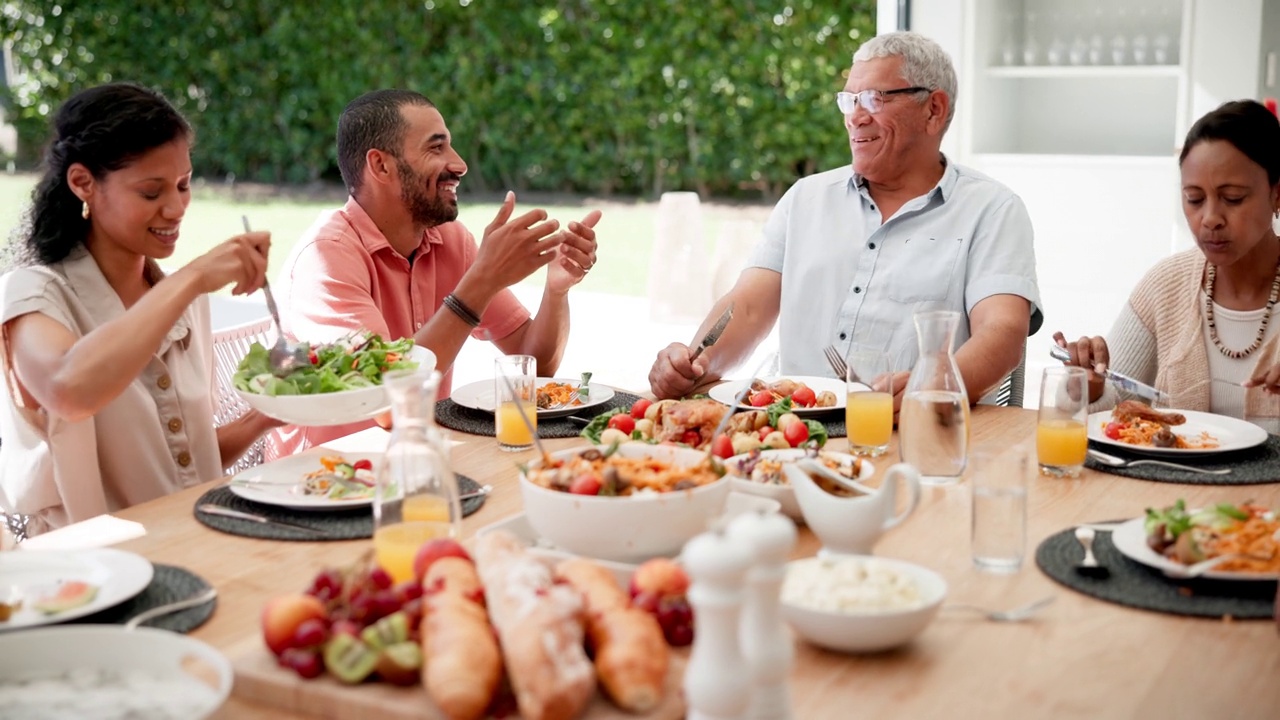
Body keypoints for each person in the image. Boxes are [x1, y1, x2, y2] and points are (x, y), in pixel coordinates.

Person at [648, 31, 1041, 409]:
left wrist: (936, 385)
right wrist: (694, 364)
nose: (855, 117)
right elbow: (747, 308)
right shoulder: (806, 197)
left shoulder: (993, 210)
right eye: (849, 100)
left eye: (873, 99)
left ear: (933, 109)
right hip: (795, 432)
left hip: (916, 435)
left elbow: (1003, 332)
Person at [0, 83, 278, 535]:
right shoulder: (32, 296)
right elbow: (68, 392)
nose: (175, 208)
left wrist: (268, 414)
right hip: (90, 578)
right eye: (151, 193)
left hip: (195, 546)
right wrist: (192, 279)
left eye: (184, 185)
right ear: (82, 183)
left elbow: (185, 464)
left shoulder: (179, 298)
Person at [269, 89, 600, 458]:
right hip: (322, 483)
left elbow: (533, 364)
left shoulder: (450, 241)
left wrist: (556, 290)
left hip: (417, 460)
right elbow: (389, 404)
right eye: (436, 148)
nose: (459, 164)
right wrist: (482, 281)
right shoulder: (325, 260)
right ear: (380, 166)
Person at [1054, 100, 1280, 418]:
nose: (1210, 218)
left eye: (1233, 198)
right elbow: (1115, 402)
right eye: (1194, 199)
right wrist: (1088, 388)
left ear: (1277, 193)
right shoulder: (1167, 283)